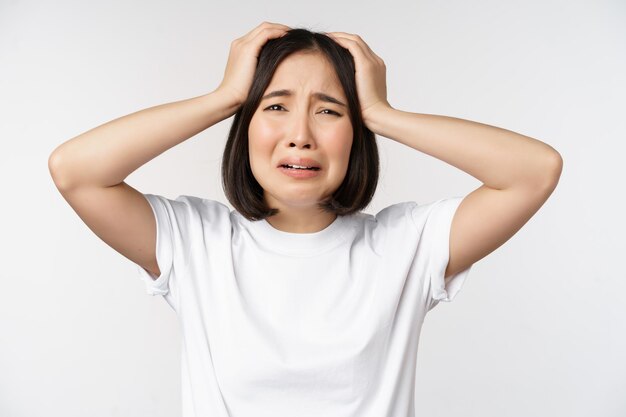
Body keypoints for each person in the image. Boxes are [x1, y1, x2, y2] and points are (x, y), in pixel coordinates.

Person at [48, 21, 562, 417]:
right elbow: (76, 171)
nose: (300, 134)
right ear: (243, 126)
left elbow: (534, 171)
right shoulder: (196, 241)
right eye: (275, 106)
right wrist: (223, 97)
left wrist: (383, 113)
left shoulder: (407, 245)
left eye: (329, 110)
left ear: (357, 133)